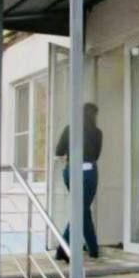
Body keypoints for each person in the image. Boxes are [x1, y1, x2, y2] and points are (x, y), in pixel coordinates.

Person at [55, 103, 102, 262]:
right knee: (81, 209)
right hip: (88, 173)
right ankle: (63, 248)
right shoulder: (97, 133)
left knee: (82, 209)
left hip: (71, 172)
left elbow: (58, 151)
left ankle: (93, 248)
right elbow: (96, 155)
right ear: (94, 115)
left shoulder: (70, 129)